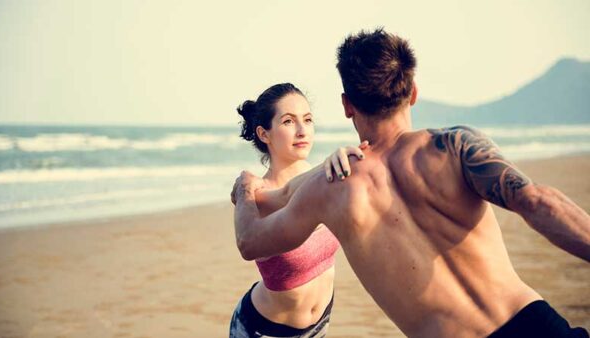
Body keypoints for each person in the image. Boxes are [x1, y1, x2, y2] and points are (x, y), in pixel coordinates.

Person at [232, 29, 590, 337]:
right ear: (413, 91)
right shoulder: (455, 146)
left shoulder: (332, 187)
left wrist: (246, 190)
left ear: (347, 105)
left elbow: (250, 241)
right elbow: (539, 203)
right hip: (534, 323)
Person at [229, 82, 366, 338]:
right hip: (263, 330)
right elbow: (288, 196)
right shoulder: (258, 197)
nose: (303, 131)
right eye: (289, 122)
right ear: (264, 134)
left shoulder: (326, 177)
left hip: (321, 324)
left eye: (308, 119)